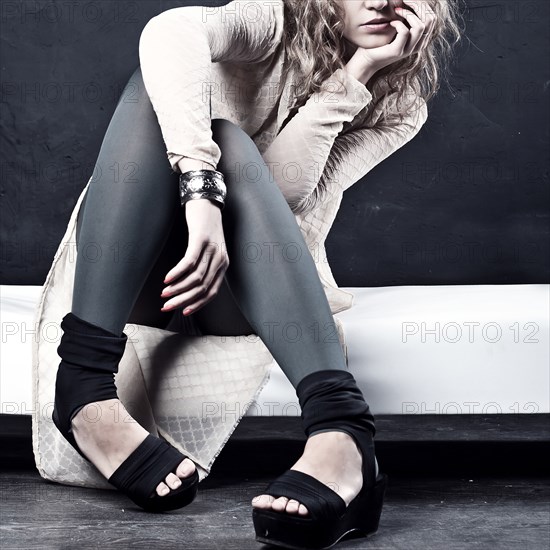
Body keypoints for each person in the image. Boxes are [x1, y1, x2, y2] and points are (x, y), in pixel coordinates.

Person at [50, 0, 461, 547]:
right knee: (164, 84)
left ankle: (340, 429)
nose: (378, 1)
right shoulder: (272, 20)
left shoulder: (401, 105)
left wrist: (356, 75)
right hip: (145, 266)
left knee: (234, 145)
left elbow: (283, 190)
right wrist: (200, 196)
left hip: (251, 287)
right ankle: (84, 384)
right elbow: (168, 30)